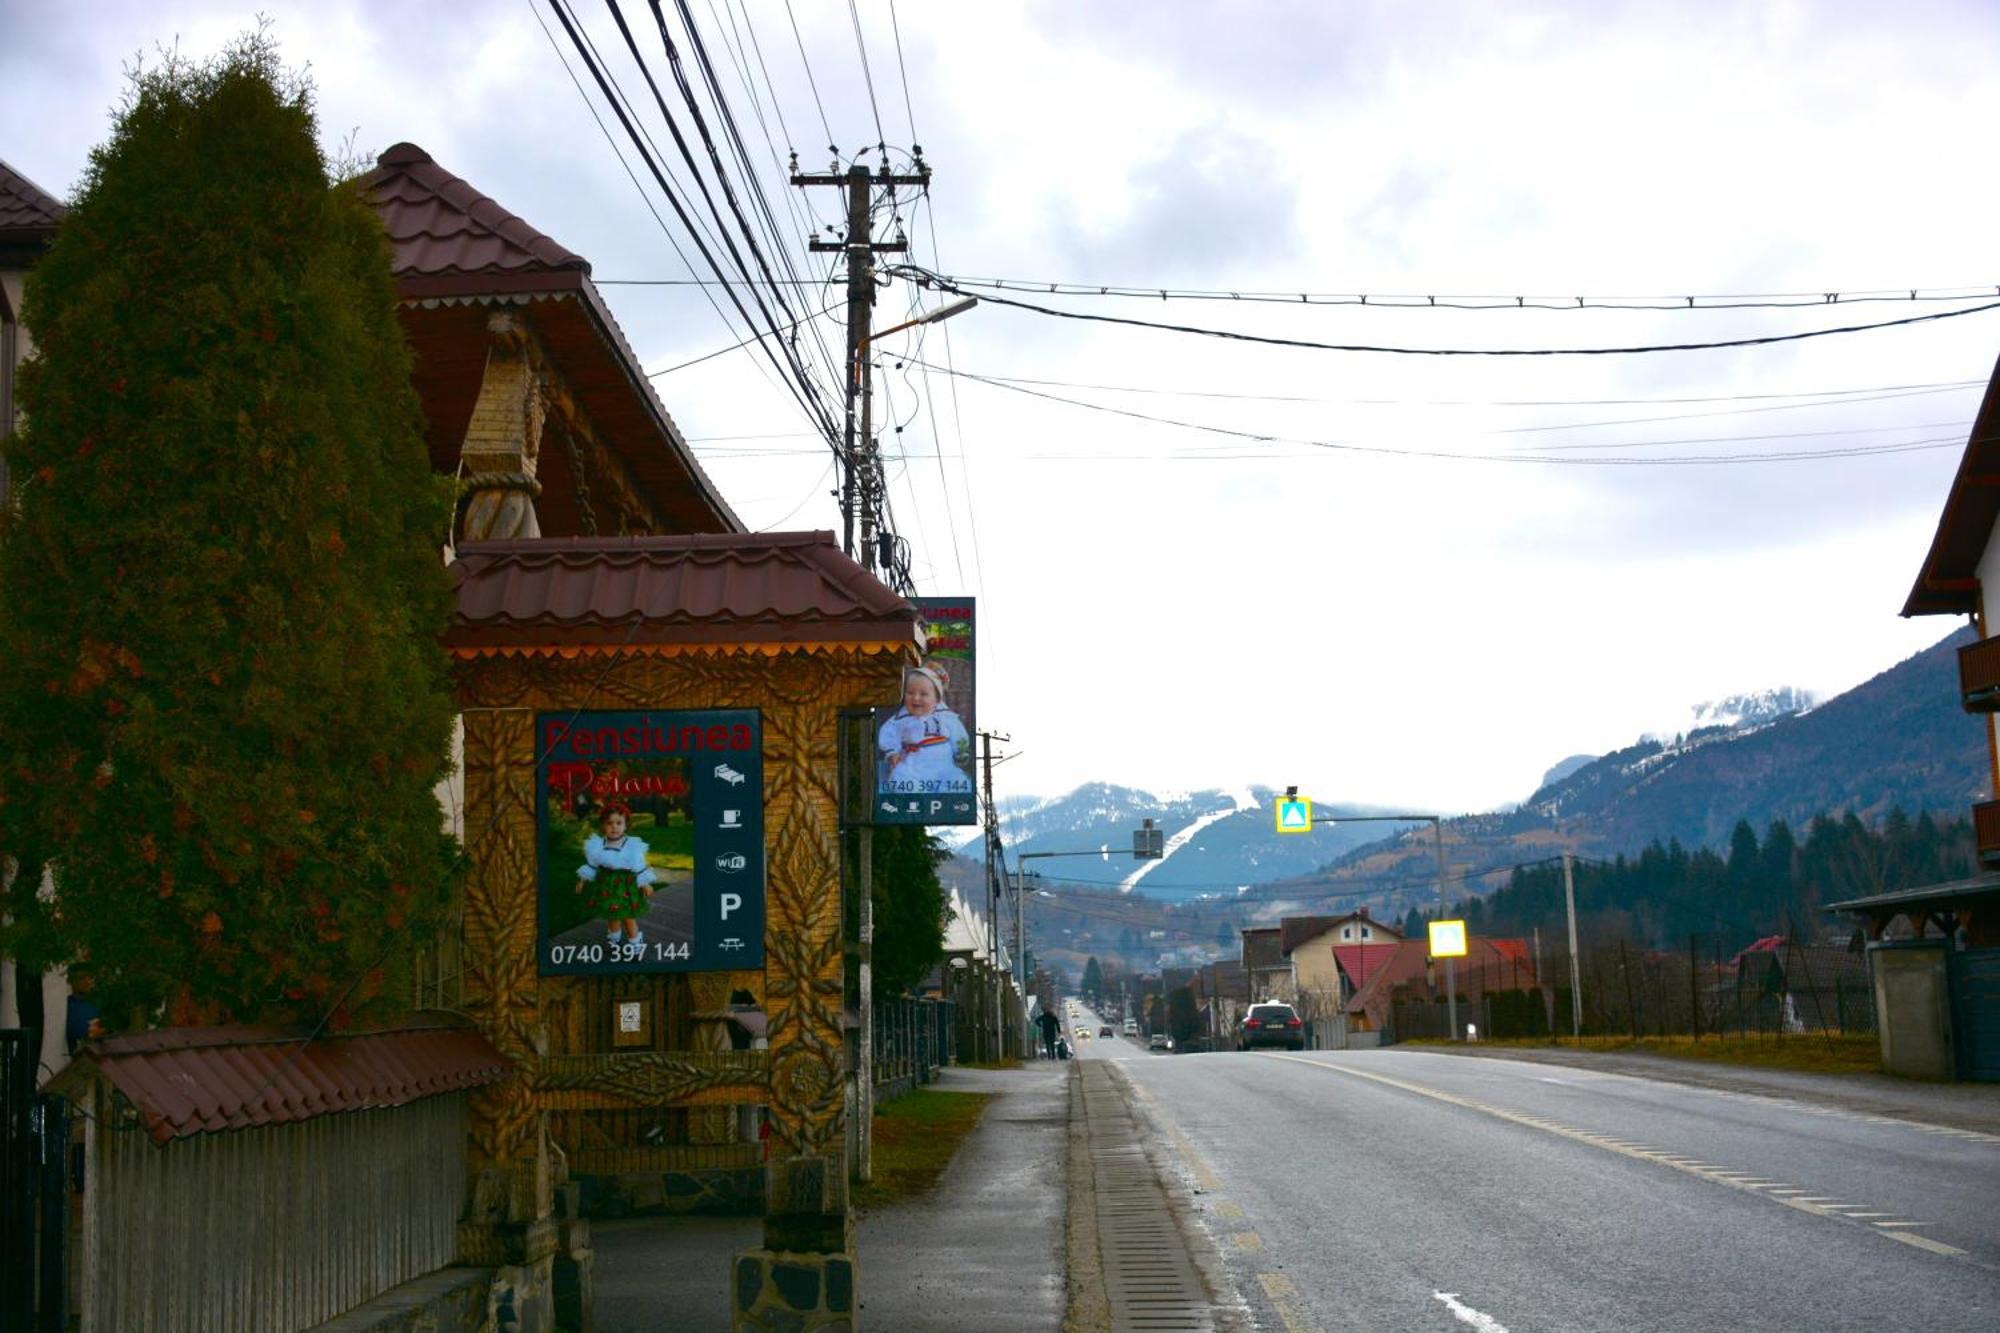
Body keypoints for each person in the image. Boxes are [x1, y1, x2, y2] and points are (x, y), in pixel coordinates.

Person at [574, 801, 656, 958]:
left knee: (627, 916)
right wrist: (582, 880)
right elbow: (591, 865)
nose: (614, 827)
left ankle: (635, 943)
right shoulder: (597, 845)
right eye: (609, 823)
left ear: (626, 825)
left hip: (626, 885)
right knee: (612, 914)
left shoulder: (631, 845)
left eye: (619, 823)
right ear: (603, 825)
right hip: (607, 884)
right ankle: (614, 938)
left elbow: (639, 865)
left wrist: (645, 883)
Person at [878, 663, 972, 793]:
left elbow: (959, 735)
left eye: (923, 694)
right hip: (912, 765)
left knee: (960, 783)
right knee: (899, 778)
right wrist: (892, 752)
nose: (916, 698)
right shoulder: (901, 718)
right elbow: (888, 733)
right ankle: (913, 804)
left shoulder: (947, 717)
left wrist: (962, 753)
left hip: (943, 767)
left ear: (937, 699)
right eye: (910, 693)